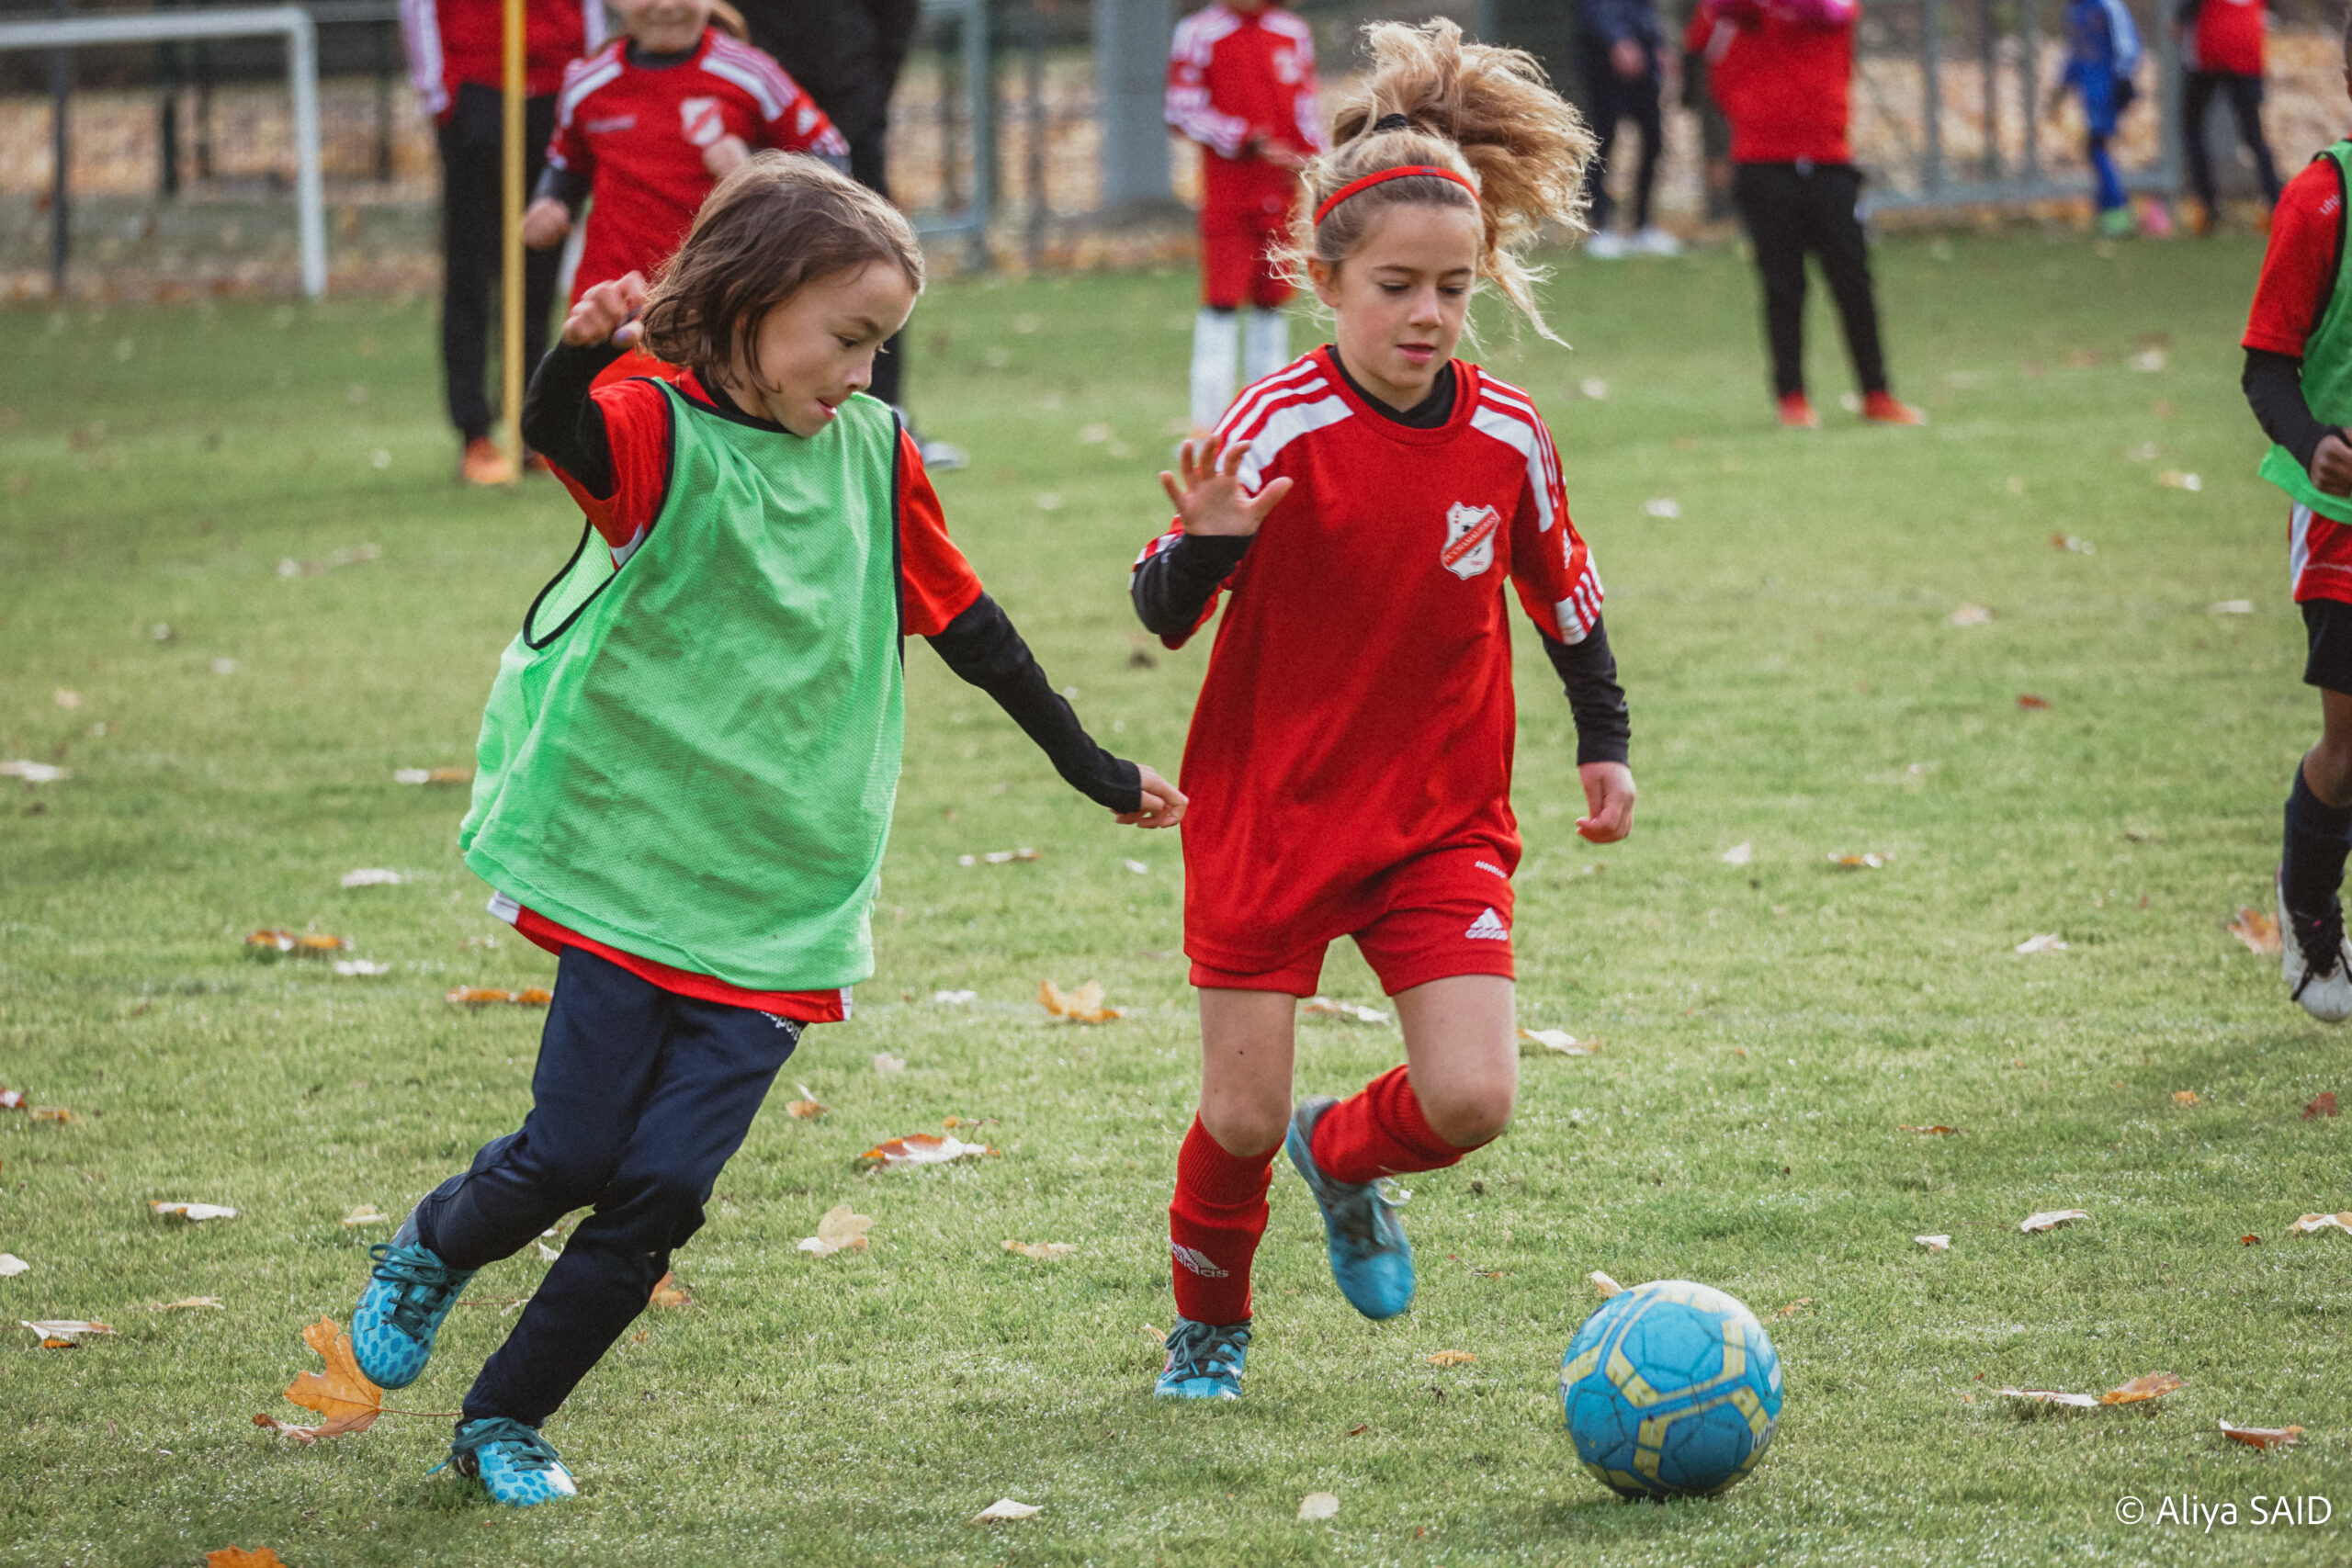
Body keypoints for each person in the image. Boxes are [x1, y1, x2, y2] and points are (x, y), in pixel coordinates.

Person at [342, 155, 1185, 1505]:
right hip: (634, 861)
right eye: (845, 338)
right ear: (748, 299)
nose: (863, 370)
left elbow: (972, 629)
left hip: (783, 890)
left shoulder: (877, 457)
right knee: (568, 1150)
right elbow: (568, 441)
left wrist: (1094, 765)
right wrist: (571, 348)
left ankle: (503, 1418)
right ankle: (435, 1242)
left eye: (881, 345)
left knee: (664, 1187)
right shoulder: (652, 421)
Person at [1128, 18, 1635, 1402]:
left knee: (1474, 1098)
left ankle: (1343, 1154)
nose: (1426, 314)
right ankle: (1211, 1326)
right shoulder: (1275, 429)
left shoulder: (1507, 432)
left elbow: (1568, 595)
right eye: (1397, 285)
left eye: (1454, 289)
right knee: (1235, 1113)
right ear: (1325, 279)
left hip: (1436, 818)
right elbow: (1160, 610)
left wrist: (1605, 742)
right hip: (1273, 810)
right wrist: (1213, 545)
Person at [2241, 20, 2352, 1021]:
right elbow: (2265, 364)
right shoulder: (2323, 199)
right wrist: (2312, 435)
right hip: (2341, 523)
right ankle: (2309, 904)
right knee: (2350, 745)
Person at [735, 0, 963, 468]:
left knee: (872, 261)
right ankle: (742, 415)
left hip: (848, 107)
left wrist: (868, 87)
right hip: (745, 108)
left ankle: (883, 418)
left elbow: (896, 15)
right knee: (752, 264)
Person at [521, 0, 849, 310]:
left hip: (716, 297)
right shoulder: (586, 80)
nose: (666, 5)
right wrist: (550, 202)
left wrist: (756, 165)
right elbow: (567, 166)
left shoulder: (751, 72)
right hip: (610, 300)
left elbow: (832, 159)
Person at [1688, 0, 1924, 428]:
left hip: (1829, 160)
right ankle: (1792, 398)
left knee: (1853, 280)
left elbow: (1827, 10)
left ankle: (1877, 392)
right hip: (1762, 161)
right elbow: (1702, 40)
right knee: (1783, 284)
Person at [400, 0, 605, 485]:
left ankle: (533, 427)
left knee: (539, 269)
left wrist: (588, 77)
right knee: (470, 270)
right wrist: (440, 94)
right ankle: (475, 432)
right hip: (478, 90)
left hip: (553, 89)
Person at [1166, 0, 1326, 436]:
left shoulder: (1291, 31)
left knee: (1272, 308)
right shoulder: (1200, 31)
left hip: (1281, 192)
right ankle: (1208, 428)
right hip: (1229, 195)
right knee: (1219, 306)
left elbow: (1306, 107)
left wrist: (1319, 159)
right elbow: (1181, 108)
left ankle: (1265, 428)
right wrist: (1242, 138)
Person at [1576, 0, 1679, 257]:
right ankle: (1600, 227)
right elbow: (1593, 10)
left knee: (1654, 139)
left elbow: (1645, 9)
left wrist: (1658, 46)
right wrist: (1617, 39)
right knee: (1602, 140)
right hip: (1602, 62)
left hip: (1644, 63)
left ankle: (1642, 224)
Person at [2177, 0, 2283, 232]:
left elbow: (2188, 9)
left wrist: (2179, 20)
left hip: (2211, 48)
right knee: (2254, 135)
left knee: (2191, 128)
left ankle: (2207, 206)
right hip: (2248, 49)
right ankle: (2276, 204)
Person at [2058, 0, 2143, 238]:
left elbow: (2127, 45)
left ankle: (2117, 212)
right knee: (2097, 148)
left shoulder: (2107, 7)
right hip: (2090, 90)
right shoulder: (2077, 10)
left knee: (2097, 148)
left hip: (2108, 88)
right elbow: (2075, 54)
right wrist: (2063, 84)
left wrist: (2124, 79)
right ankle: (2110, 212)